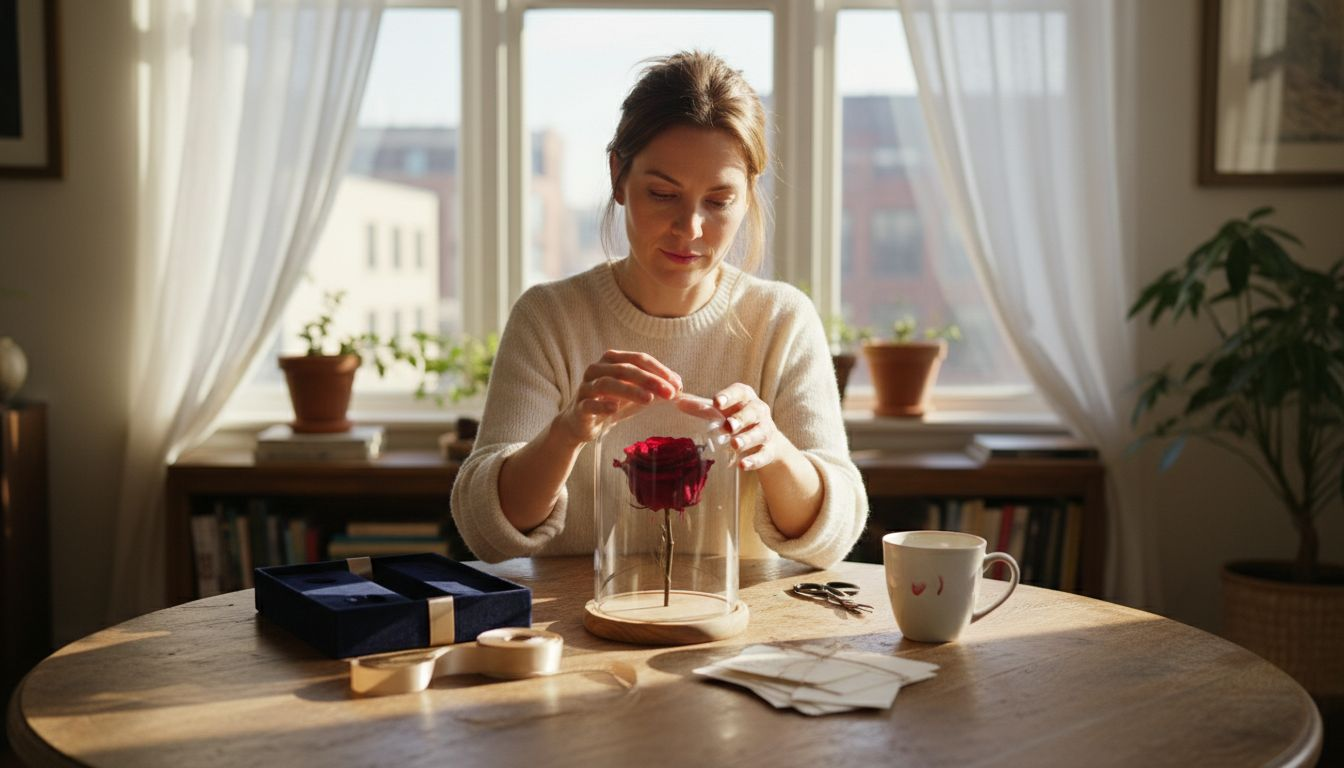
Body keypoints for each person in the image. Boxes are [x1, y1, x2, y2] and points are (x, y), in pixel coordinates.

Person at [451, 50, 867, 568]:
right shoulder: (549, 317)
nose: (690, 228)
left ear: (748, 195)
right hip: (574, 626)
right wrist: (570, 430)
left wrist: (775, 450)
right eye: (663, 193)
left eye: (718, 201)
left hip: (739, 631)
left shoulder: (781, 319)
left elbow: (837, 533)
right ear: (618, 177)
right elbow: (486, 531)